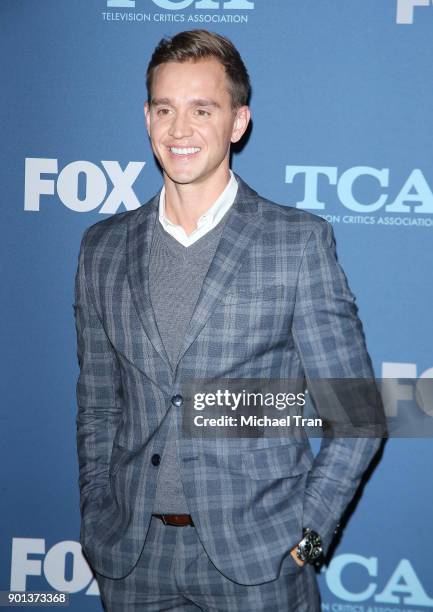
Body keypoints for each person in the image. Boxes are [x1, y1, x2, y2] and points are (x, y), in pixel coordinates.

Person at [74, 29, 384, 611]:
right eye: (165, 109)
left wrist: (308, 538)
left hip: (259, 564)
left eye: (202, 109)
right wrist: (96, 516)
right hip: (132, 562)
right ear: (146, 117)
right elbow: (98, 405)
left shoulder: (295, 242)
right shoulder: (101, 248)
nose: (179, 130)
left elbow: (359, 415)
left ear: (238, 122)